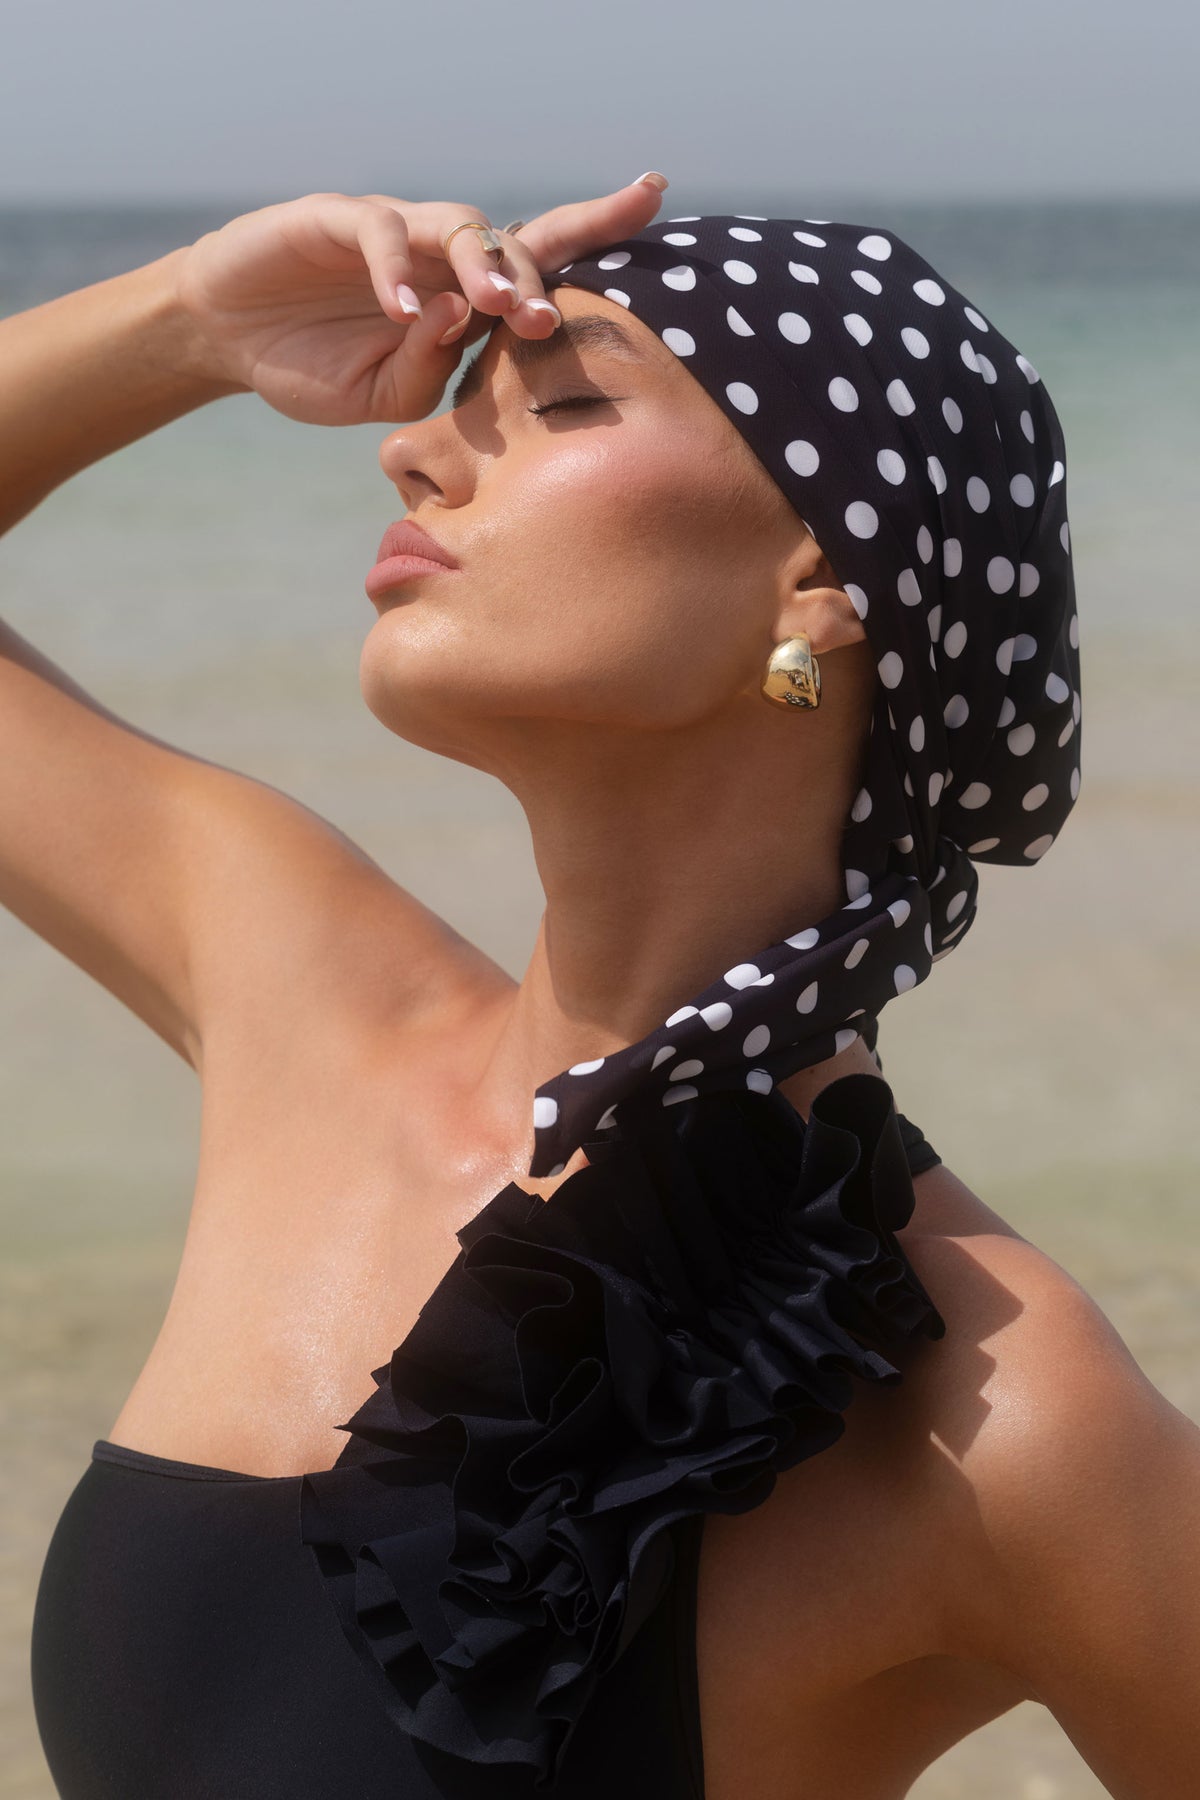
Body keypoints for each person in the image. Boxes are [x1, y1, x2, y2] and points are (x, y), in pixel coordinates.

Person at [9, 176, 1197, 1798]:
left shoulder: (993, 1413)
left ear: (822, 581)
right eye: (455, 399)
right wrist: (191, 323)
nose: (414, 450)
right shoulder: (303, 995)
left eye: (563, 402)